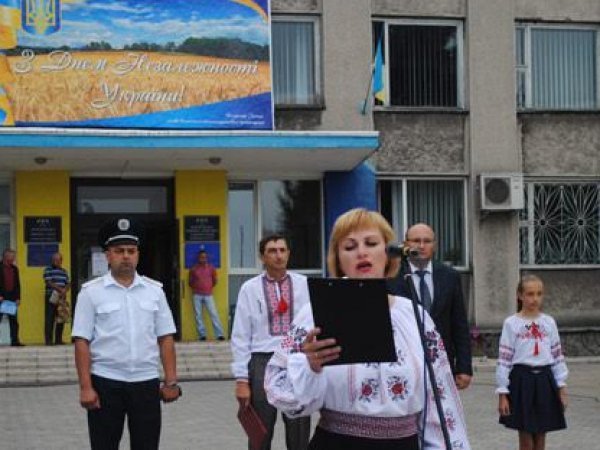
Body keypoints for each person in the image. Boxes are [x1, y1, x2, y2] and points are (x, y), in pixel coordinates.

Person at [265, 208, 470, 450]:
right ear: (338, 259)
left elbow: (440, 401)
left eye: (371, 243)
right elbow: (279, 387)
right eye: (349, 247)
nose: (361, 252)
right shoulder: (317, 312)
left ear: (389, 253)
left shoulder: (414, 316)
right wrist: (309, 365)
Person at [72, 217, 181, 450]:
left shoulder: (154, 291)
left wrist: (171, 381)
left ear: (138, 255)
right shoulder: (91, 293)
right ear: (108, 255)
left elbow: (165, 338)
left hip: (145, 382)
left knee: (147, 445)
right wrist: (85, 387)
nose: (126, 256)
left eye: (131, 251)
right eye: (119, 251)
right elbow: (81, 341)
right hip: (106, 382)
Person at [231, 234, 311, 450]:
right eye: (272, 251)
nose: (278, 255)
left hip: (296, 360)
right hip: (262, 362)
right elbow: (241, 335)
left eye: (282, 250)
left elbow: (311, 323)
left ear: (289, 254)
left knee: (299, 431)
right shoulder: (250, 288)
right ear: (262, 257)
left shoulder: (304, 284)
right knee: (260, 432)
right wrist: (241, 380)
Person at [387, 223, 473, 390]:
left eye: (427, 241)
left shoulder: (449, 276)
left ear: (435, 245)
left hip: (441, 362)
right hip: (404, 364)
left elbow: (459, 324)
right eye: (416, 241)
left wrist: (464, 367)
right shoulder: (391, 277)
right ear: (405, 244)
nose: (421, 246)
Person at [496, 274, 568, 450]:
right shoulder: (511, 323)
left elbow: (557, 356)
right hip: (522, 380)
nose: (535, 299)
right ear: (520, 295)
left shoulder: (548, 322)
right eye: (530, 294)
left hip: (545, 380)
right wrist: (502, 393)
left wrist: (561, 388)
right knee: (526, 435)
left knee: (541, 434)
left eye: (539, 294)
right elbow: (504, 359)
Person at [188, 250, 225, 341]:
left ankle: (219, 335)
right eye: (201, 257)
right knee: (198, 315)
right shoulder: (193, 269)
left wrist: (207, 287)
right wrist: (197, 287)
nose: (203, 259)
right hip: (197, 295)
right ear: (198, 258)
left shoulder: (211, 268)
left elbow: (214, 281)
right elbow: (190, 282)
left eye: (204, 257)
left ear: (207, 258)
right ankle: (202, 335)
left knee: (214, 314)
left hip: (208, 295)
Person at [43, 252, 70, 345]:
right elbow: (49, 282)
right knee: (49, 318)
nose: (56, 261)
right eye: (54, 260)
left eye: (58, 260)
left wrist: (65, 290)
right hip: (51, 296)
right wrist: (60, 289)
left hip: (62, 297)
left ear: (61, 261)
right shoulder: (48, 270)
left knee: (61, 318)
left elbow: (68, 283)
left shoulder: (64, 271)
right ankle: (49, 340)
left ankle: (58, 339)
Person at [0, 248, 23, 346]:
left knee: (14, 321)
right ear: (6, 257)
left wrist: (18, 298)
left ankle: (15, 341)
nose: (13, 259)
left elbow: (17, 284)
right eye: (12, 257)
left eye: (14, 257)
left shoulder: (15, 269)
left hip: (12, 298)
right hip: (1, 297)